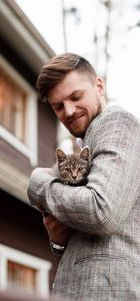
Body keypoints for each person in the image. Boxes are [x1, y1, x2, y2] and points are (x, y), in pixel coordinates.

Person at [27, 53, 140, 300]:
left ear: (99, 86)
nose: (68, 111)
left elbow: (102, 211)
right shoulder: (88, 147)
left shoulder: (117, 123)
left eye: (75, 97)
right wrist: (59, 241)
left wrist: (38, 184)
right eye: (58, 106)